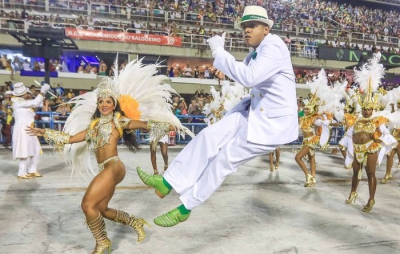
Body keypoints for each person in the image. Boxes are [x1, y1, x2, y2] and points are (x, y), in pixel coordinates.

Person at [136, 6, 299, 227]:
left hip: (271, 124)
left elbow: (249, 77)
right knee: (208, 136)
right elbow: (243, 72)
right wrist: (224, 65)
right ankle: (167, 182)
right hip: (253, 113)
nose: (246, 31)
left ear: (266, 29)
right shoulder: (257, 51)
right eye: (244, 27)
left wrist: (219, 53)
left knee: (224, 160)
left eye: (252, 26)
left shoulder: (274, 46)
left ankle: (186, 207)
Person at [27, 59, 192, 253]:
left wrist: (167, 125)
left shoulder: (118, 120)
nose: (104, 104)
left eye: (108, 101)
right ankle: (135, 222)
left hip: (113, 167)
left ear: (114, 104)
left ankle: (102, 242)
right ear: (97, 104)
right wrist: (45, 133)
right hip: (105, 168)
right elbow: (71, 138)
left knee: (87, 205)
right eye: (101, 101)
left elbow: (143, 124)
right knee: (101, 209)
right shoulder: (93, 126)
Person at [345, 53, 397, 213]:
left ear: (372, 109)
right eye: (365, 108)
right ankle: (353, 193)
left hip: (371, 148)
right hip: (357, 148)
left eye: (369, 109)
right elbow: (349, 134)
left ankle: (371, 199)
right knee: (355, 172)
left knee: (370, 173)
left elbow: (386, 136)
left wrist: (377, 137)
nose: (367, 111)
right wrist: (346, 145)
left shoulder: (377, 120)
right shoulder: (358, 119)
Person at [12, 82, 50, 179]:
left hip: (30, 129)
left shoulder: (22, 101)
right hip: (23, 130)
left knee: (36, 150)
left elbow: (38, 103)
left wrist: (43, 94)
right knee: (24, 151)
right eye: (25, 93)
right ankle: (21, 172)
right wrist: (41, 92)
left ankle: (32, 170)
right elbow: (35, 102)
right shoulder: (18, 102)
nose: (27, 94)